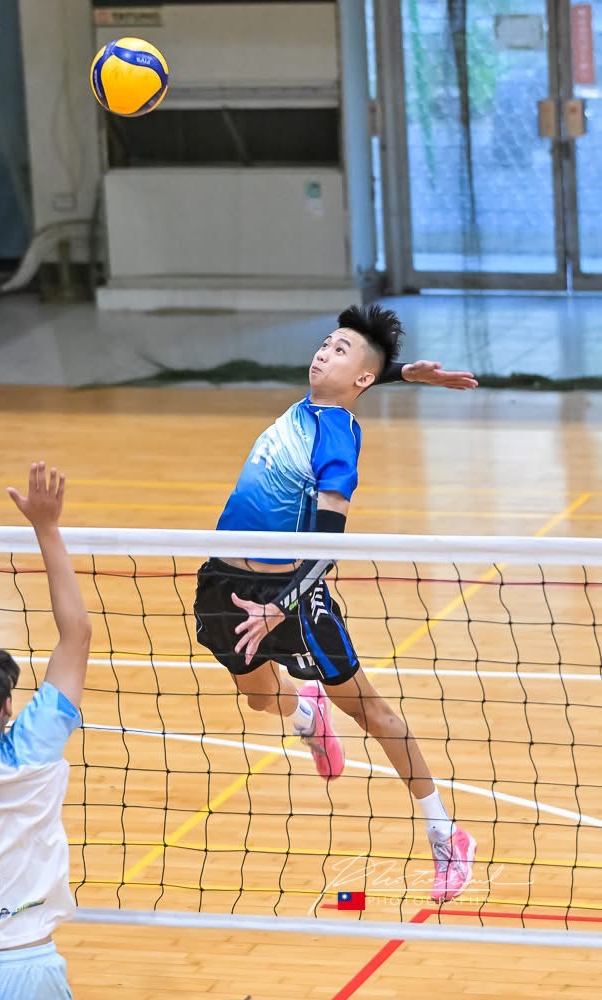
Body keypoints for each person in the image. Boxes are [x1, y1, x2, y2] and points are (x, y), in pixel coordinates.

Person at [195, 304, 478, 902]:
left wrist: (281, 608)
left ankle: (446, 835)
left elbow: (328, 551)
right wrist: (406, 372)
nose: (324, 352)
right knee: (257, 696)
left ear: (360, 377)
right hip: (224, 582)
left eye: (340, 350)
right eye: (326, 343)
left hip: (291, 597)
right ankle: (307, 714)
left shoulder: (336, 441)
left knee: (370, 711)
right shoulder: (313, 405)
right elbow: (362, 375)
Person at [0, 462, 91, 999]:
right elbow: (75, 635)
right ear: (7, 708)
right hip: (25, 970)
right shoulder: (30, 750)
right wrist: (46, 527)